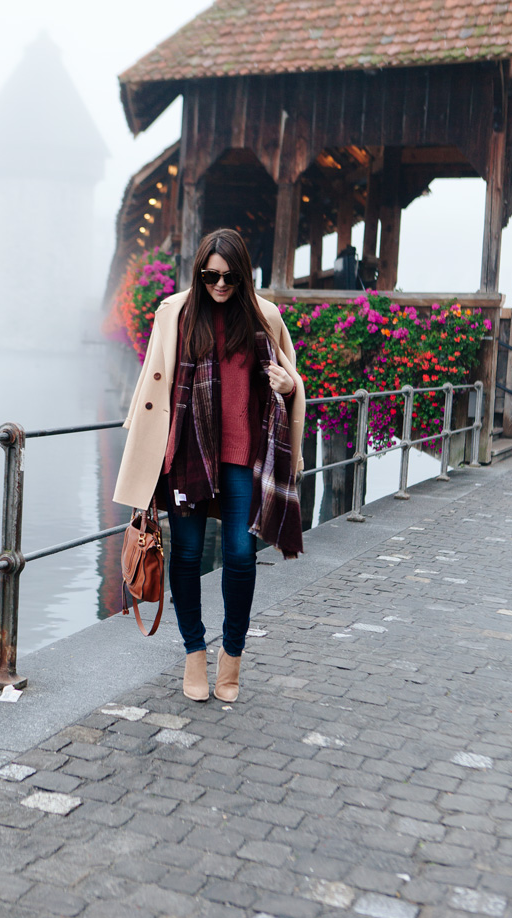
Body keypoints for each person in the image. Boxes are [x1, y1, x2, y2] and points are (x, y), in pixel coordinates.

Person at [114, 228, 305, 703]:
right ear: (200, 274)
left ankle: (233, 657)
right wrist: (140, 456)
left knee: (240, 555)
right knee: (188, 554)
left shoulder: (264, 318)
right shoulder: (176, 313)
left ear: (245, 276)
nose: (220, 285)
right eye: (211, 276)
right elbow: (150, 384)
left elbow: (292, 379)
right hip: (185, 453)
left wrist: (287, 387)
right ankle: (195, 651)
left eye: (230, 277)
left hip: (242, 455)